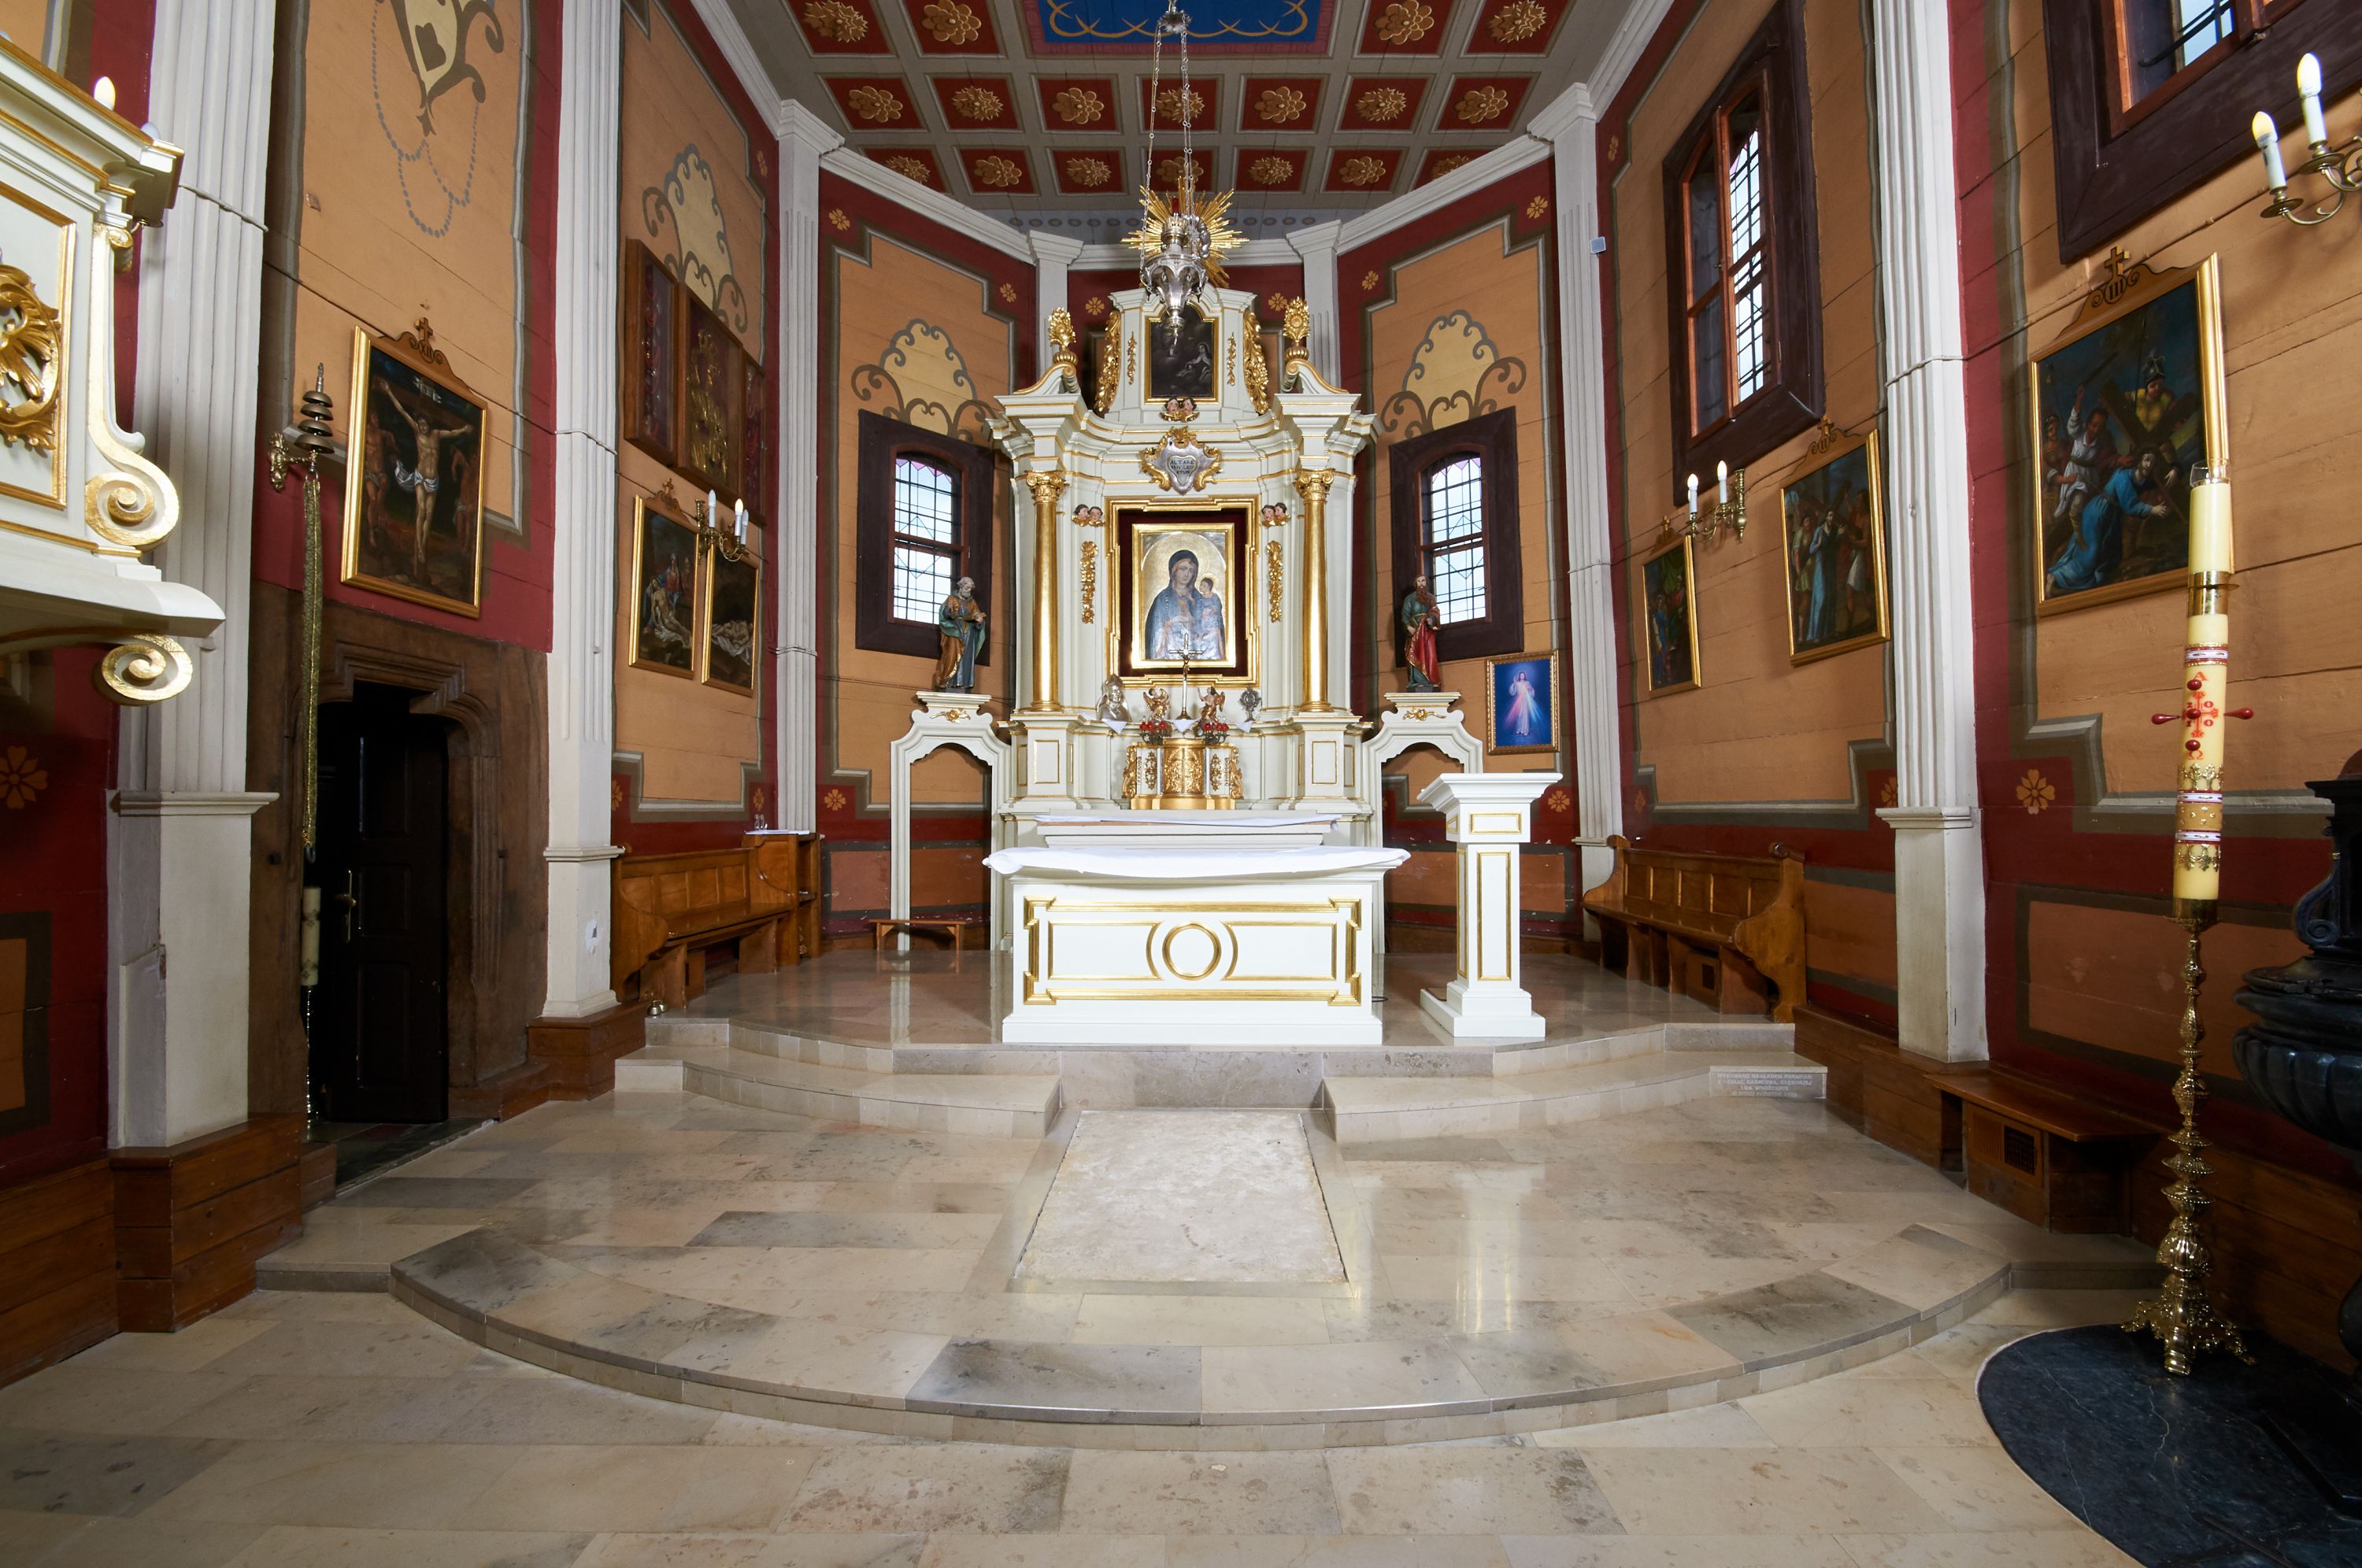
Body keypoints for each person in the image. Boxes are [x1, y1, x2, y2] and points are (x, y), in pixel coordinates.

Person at [2047, 447, 2174, 596]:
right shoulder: (2123, 476)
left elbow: (2154, 484)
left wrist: (2175, 470)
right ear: (2139, 461)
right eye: (2146, 460)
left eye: (2152, 462)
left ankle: (2098, 580)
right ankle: (2057, 577)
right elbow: (2129, 504)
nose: (2149, 464)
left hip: (2112, 515)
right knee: (2090, 553)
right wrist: (2152, 510)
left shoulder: (2141, 479)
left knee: (2111, 553)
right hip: (2099, 512)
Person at [1145, 549, 1224, 660]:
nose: (1187, 574)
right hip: (1168, 656)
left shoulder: (1200, 599)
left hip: (1198, 655)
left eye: (1191, 571)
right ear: (1174, 570)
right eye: (1183, 569)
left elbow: (1210, 629)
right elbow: (1156, 635)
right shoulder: (1162, 599)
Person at [933, 575, 987, 692]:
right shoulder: (951, 599)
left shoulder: (972, 602)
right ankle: (947, 681)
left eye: (970, 588)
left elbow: (977, 617)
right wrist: (949, 610)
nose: (968, 590)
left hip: (969, 633)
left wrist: (980, 621)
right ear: (961, 586)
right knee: (951, 655)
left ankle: (964, 683)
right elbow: (944, 615)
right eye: (966, 587)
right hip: (955, 631)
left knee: (966, 657)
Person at [1399, 574, 1441, 692]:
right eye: (1419, 581)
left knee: (1428, 654)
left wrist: (1431, 619)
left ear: (1426, 583)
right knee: (1416, 652)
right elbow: (1405, 615)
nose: (1421, 584)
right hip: (1414, 630)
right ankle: (1418, 681)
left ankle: (1429, 679)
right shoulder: (1410, 599)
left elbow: (1435, 611)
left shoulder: (1431, 598)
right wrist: (1408, 627)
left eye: (1423, 581)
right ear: (1415, 584)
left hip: (1427, 632)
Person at [1502, 665, 1543, 744]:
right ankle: (1519, 729)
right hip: (1518, 700)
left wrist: (1530, 689)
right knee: (1519, 715)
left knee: (1525, 715)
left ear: (1524, 676)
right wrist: (1514, 683)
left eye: (1523, 675)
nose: (1522, 676)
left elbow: (1532, 691)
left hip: (1525, 700)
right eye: (1521, 675)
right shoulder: (1517, 683)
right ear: (1519, 676)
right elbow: (1513, 692)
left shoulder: (1527, 683)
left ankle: (1525, 730)